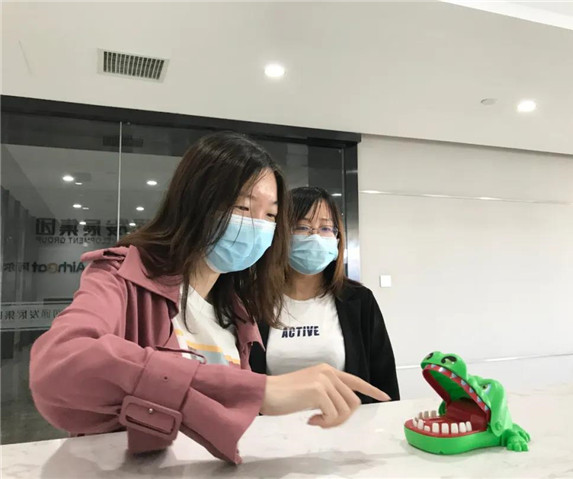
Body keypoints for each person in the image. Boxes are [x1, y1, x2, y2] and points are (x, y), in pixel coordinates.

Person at [29, 132, 390, 465]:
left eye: (270, 215)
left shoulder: (239, 309)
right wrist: (259, 391)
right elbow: (58, 366)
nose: (258, 226)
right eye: (243, 208)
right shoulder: (123, 275)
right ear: (195, 201)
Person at [250, 187, 400, 403]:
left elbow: (383, 379)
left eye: (326, 228)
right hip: (272, 423)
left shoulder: (358, 300)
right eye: (302, 227)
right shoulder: (253, 300)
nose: (315, 237)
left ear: (337, 238)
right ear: (280, 234)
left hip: (347, 422)